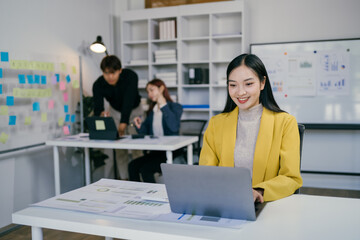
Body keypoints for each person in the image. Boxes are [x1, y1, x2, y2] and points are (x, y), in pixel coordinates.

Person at [199, 53, 302, 203]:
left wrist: (258, 192)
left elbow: (291, 177)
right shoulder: (216, 124)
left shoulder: (285, 123)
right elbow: (206, 173)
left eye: (248, 84)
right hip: (224, 202)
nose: (240, 92)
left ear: (262, 83)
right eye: (233, 85)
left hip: (267, 205)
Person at [92, 55, 144, 180]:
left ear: (120, 70)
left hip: (134, 110)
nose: (110, 77)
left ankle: (140, 180)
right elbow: (98, 107)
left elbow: (128, 100)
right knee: (119, 149)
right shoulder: (98, 84)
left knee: (138, 147)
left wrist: (123, 122)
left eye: (113, 73)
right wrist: (101, 115)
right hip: (115, 111)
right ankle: (124, 179)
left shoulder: (131, 76)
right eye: (106, 73)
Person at [128, 79, 183, 183]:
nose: (149, 94)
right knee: (132, 166)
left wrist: (163, 105)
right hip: (156, 151)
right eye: (148, 92)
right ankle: (135, 195)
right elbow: (145, 132)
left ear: (161, 88)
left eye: (151, 90)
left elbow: (174, 127)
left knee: (145, 169)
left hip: (170, 152)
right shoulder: (152, 111)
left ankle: (152, 197)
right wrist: (139, 126)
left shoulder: (176, 107)